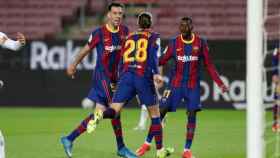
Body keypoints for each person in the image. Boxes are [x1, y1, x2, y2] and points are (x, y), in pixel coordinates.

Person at [136, 17, 229, 158]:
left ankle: (186, 150)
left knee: (192, 114)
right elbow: (161, 60)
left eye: (186, 25)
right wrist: (146, 62)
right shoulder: (174, 43)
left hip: (192, 86)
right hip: (175, 85)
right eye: (181, 25)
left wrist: (220, 83)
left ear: (191, 27)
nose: (183, 27)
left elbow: (209, 65)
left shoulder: (201, 43)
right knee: (160, 112)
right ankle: (147, 144)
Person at [86, 12, 174, 158]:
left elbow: (121, 59)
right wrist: (156, 73)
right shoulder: (154, 37)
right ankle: (160, 151)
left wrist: (121, 77)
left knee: (114, 110)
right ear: (150, 23)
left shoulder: (129, 36)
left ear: (138, 23)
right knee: (155, 115)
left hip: (126, 76)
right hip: (142, 76)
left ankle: (100, 114)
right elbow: (153, 56)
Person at [60, 2, 137, 158]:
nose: (117, 16)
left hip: (116, 78)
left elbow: (129, 53)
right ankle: (121, 148)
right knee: (115, 111)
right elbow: (85, 50)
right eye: (115, 13)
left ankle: (69, 138)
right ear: (108, 15)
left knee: (101, 113)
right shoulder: (99, 33)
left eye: (120, 13)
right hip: (102, 78)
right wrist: (73, 65)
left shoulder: (125, 31)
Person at [271, 48, 280, 132]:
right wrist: (274, 74)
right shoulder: (277, 48)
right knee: (277, 101)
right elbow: (274, 59)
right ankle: (276, 123)